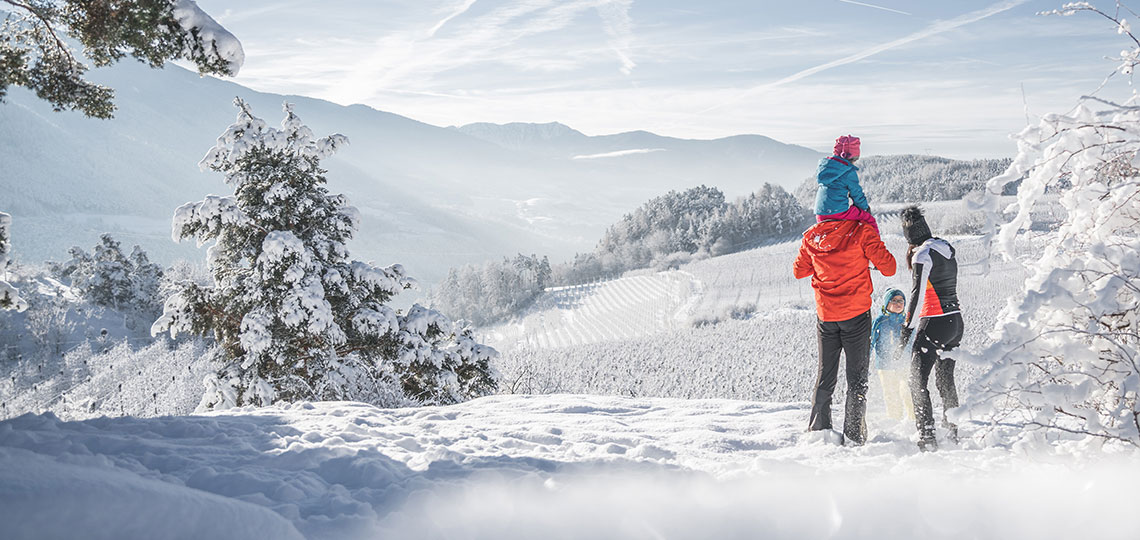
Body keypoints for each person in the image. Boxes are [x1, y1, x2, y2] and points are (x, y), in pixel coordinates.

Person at [793, 213, 896, 445]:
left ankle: (819, 430)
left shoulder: (811, 237)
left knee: (825, 375)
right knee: (857, 377)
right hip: (856, 315)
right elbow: (889, 268)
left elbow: (799, 271)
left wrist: (823, 264)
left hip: (826, 316)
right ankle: (854, 434)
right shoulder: (860, 231)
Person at [899, 206, 963, 452]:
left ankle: (926, 435)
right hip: (956, 322)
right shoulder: (944, 249)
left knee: (916, 381)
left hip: (935, 322)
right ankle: (952, 430)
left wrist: (907, 329)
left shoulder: (922, 255)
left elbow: (915, 297)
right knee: (946, 380)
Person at [815, 135, 879, 235]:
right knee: (869, 219)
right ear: (848, 157)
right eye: (854, 160)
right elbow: (856, 193)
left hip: (820, 214)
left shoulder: (825, 168)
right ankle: (876, 248)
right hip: (838, 212)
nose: (854, 163)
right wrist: (865, 208)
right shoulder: (848, 172)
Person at [871, 288, 914, 421]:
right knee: (891, 394)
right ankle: (895, 421)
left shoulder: (908, 321)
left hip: (904, 364)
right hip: (885, 366)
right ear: (886, 304)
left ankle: (914, 420)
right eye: (894, 300)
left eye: (901, 300)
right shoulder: (880, 321)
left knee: (907, 391)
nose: (898, 303)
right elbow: (870, 342)